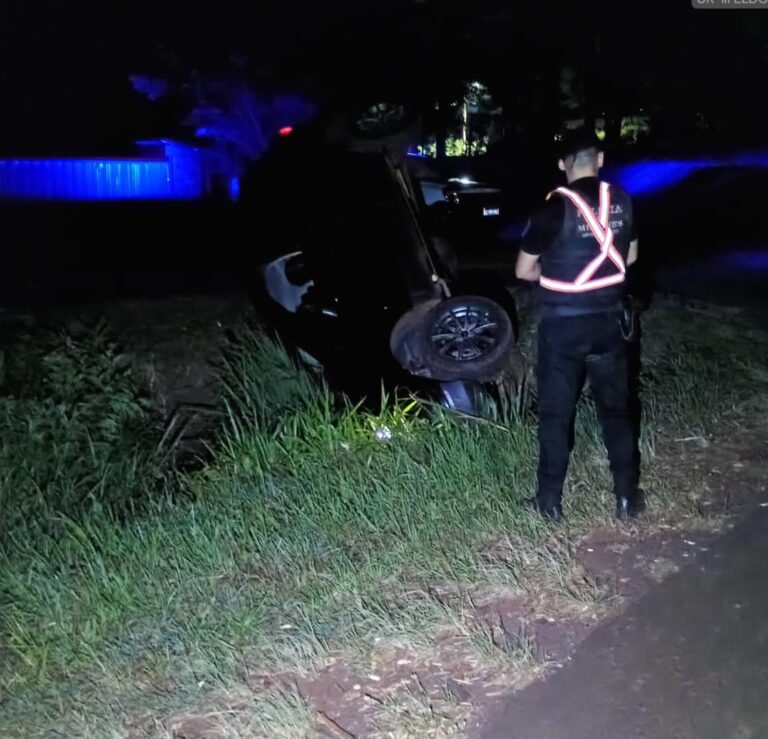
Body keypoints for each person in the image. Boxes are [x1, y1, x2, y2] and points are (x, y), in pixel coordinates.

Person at [515, 126, 644, 522]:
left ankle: (549, 502)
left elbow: (523, 270)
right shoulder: (622, 200)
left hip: (563, 328)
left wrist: (558, 275)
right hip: (609, 325)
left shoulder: (551, 209)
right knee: (617, 412)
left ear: (562, 164)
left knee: (556, 415)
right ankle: (625, 498)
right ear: (599, 159)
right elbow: (631, 257)